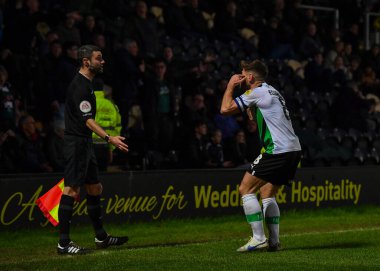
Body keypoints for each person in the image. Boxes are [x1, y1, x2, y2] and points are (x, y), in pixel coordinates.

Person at [220, 59, 301, 252]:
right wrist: (253, 110)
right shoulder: (273, 91)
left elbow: (224, 109)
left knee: (245, 189)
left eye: (242, 73)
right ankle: (274, 241)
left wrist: (230, 85)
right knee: (267, 193)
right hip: (294, 149)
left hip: (277, 150)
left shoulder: (256, 92)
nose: (240, 77)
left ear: (249, 77)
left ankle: (258, 238)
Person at [57, 45, 129, 255]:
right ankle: (63, 243)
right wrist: (109, 138)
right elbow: (87, 120)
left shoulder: (88, 84)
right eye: (99, 58)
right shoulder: (79, 87)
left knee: (95, 188)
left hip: (85, 143)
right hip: (76, 143)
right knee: (71, 189)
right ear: (86, 62)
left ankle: (101, 237)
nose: (103, 61)